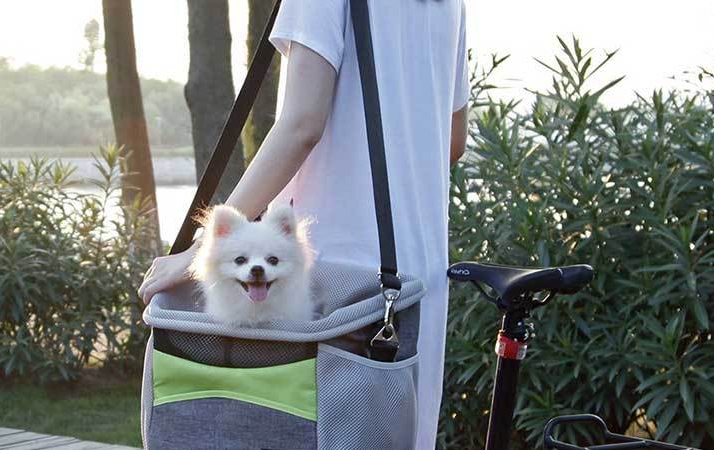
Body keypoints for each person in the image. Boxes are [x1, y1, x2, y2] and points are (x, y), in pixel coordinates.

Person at [139, 0, 469, 447]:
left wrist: (204, 251)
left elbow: (301, 126)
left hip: (332, 272)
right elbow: (453, 141)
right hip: (416, 268)